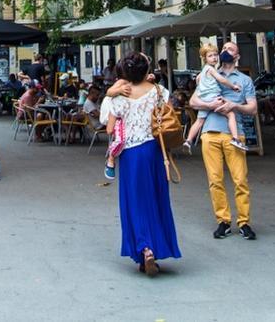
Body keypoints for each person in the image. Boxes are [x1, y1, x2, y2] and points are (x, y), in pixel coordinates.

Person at [106, 52, 181, 275]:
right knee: (155, 198)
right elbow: (168, 112)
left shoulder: (120, 97)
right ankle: (155, 248)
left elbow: (109, 128)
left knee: (134, 202)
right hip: (154, 150)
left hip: (130, 153)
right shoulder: (158, 91)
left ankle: (144, 249)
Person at [195, 42, 258, 240]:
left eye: (230, 49)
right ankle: (223, 220)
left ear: (238, 55)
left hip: (234, 134)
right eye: (223, 49)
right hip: (210, 132)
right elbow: (192, 101)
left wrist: (234, 106)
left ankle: (244, 222)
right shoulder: (209, 73)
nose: (225, 52)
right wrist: (210, 104)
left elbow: (253, 109)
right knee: (215, 180)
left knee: (240, 180)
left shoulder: (245, 80)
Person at [184, 44, 246, 154]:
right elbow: (222, 80)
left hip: (205, 99)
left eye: (215, 55)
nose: (214, 58)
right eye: (210, 56)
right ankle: (236, 139)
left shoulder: (201, 73)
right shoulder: (211, 69)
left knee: (199, 121)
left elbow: (199, 84)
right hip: (214, 98)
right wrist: (233, 86)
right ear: (204, 59)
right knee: (231, 114)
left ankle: (188, 141)